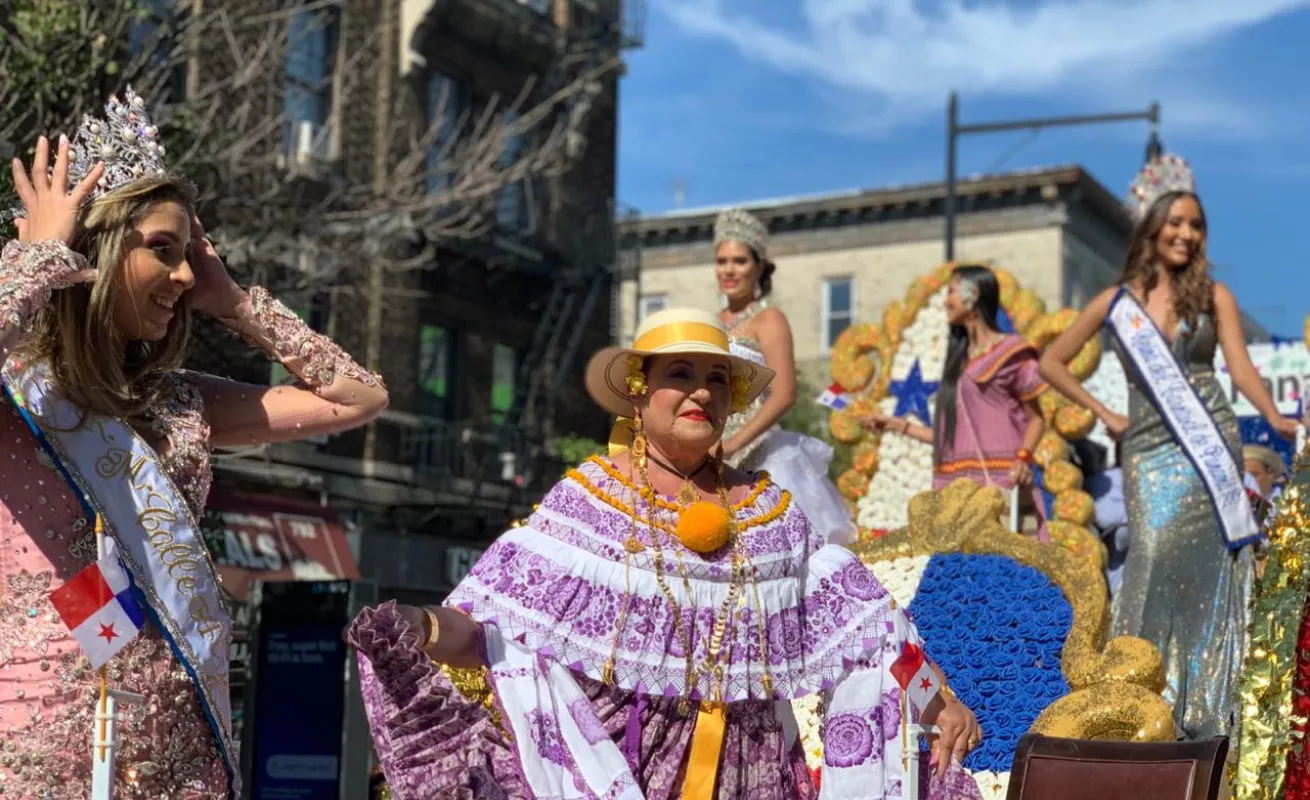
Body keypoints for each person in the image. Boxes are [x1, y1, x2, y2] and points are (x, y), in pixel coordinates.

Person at [347, 307, 983, 800]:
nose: (702, 393)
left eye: (717, 380)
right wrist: (421, 626)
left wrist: (941, 701)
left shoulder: (771, 514)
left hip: (752, 770)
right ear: (638, 390)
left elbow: (871, 632)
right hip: (617, 764)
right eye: (680, 375)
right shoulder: (588, 500)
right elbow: (494, 629)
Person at [0, 90, 387, 798]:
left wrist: (235, 302)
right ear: (99, 252)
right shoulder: (17, 388)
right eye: (162, 251)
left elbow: (359, 397)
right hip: (44, 736)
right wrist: (39, 255)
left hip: (181, 736)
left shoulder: (178, 397)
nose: (183, 275)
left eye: (189, 255)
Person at [1037, 152, 1293, 740]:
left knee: (1209, 576)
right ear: (1150, 228)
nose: (1186, 234)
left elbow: (1241, 368)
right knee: (1150, 564)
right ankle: (1138, 701)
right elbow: (1050, 360)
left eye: (1195, 225)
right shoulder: (1114, 303)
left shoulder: (1214, 296)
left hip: (1211, 446)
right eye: (1175, 222)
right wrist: (1103, 412)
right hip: (1149, 452)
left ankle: (1210, 711)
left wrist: (1273, 412)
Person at [866, 266, 1048, 541]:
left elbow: (1036, 418)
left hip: (999, 482)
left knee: (1005, 571)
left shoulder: (1011, 353)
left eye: (951, 292)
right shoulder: (959, 361)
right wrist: (895, 425)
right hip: (954, 485)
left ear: (972, 295)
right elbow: (950, 439)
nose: (945, 301)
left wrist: (1024, 458)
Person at [711, 208, 858, 546]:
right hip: (710, 451)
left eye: (739, 261)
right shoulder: (709, 323)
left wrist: (735, 445)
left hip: (759, 452)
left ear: (759, 267)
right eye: (722, 261)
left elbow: (784, 394)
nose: (729, 270)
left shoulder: (769, 320)